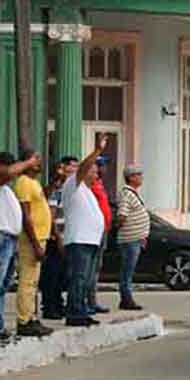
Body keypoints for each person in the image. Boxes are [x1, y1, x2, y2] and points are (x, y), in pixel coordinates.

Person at [0, 152, 39, 344]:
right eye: (11, 166)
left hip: (9, 239)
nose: (15, 171)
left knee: (2, 287)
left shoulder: (5, 190)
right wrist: (28, 162)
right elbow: (7, 174)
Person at [62, 135, 108, 326]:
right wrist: (97, 151)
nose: (96, 175)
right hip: (79, 240)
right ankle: (74, 313)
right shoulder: (73, 184)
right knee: (79, 278)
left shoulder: (88, 190)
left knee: (86, 279)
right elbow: (81, 169)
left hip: (90, 241)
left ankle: (81, 310)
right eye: (93, 171)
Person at [13, 149, 56, 337]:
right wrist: (35, 244)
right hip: (32, 239)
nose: (39, 162)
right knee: (27, 281)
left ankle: (30, 316)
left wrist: (55, 181)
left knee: (33, 281)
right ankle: (24, 320)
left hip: (40, 237)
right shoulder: (23, 182)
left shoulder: (34, 183)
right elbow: (26, 216)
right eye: (35, 159)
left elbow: (43, 199)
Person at [40, 156, 78, 320]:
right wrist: (58, 236)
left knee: (62, 274)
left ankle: (58, 304)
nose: (75, 170)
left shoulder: (69, 189)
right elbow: (51, 215)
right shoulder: (57, 189)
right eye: (72, 167)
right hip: (56, 238)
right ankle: (50, 306)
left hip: (67, 236)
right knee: (53, 275)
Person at [116, 165, 151, 311]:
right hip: (129, 239)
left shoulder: (133, 193)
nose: (141, 177)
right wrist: (129, 229)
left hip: (135, 238)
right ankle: (126, 298)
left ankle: (127, 297)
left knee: (129, 269)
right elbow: (122, 215)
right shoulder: (127, 194)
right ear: (131, 178)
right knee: (127, 270)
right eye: (138, 174)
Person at [87, 156, 112, 315]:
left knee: (96, 268)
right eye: (100, 166)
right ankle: (88, 301)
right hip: (93, 231)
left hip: (103, 230)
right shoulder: (89, 187)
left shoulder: (100, 185)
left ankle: (92, 300)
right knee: (90, 269)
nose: (103, 169)